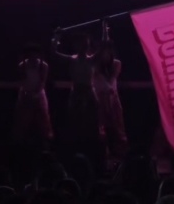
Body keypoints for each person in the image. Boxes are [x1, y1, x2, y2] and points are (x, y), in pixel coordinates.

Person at [51, 29, 105, 162]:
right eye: (81, 44)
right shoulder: (72, 59)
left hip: (88, 90)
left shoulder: (91, 59)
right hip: (76, 91)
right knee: (74, 120)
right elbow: (53, 53)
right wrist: (56, 37)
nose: (83, 46)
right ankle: (75, 147)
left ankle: (92, 145)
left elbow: (104, 47)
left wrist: (104, 28)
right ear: (76, 46)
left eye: (85, 44)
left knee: (93, 120)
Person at [93, 32, 128, 160]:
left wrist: (109, 93)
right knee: (100, 126)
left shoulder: (116, 64)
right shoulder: (95, 65)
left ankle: (120, 153)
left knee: (117, 126)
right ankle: (103, 153)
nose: (105, 54)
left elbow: (111, 81)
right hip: (99, 98)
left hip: (112, 98)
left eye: (108, 52)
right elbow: (102, 82)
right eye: (103, 52)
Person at [14, 43, 53, 150]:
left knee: (43, 120)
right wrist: (27, 93)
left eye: (35, 54)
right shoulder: (22, 65)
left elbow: (42, 82)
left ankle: (46, 144)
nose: (33, 56)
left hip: (39, 95)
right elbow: (22, 81)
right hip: (25, 94)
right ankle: (20, 145)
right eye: (31, 54)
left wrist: (36, 93)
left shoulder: (43, 66)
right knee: (22, 120)